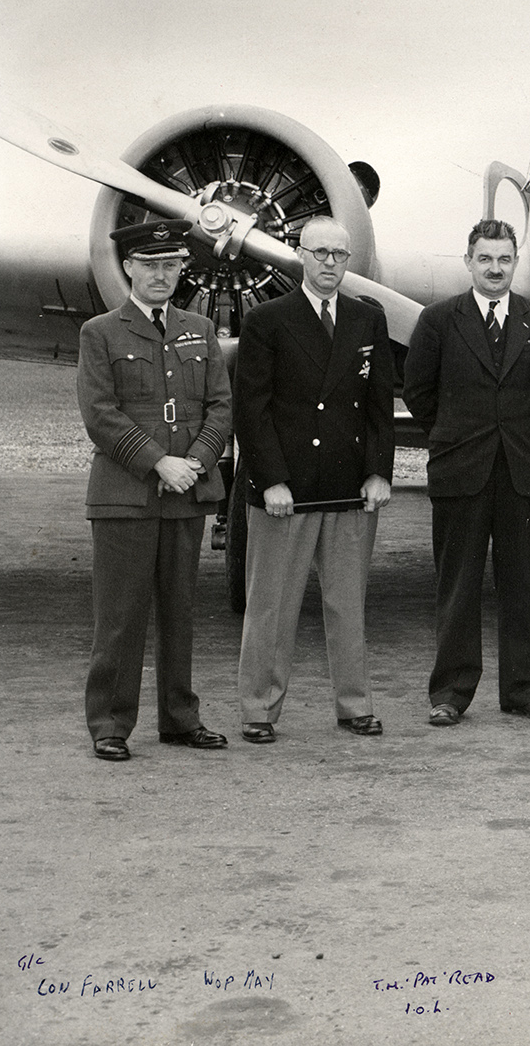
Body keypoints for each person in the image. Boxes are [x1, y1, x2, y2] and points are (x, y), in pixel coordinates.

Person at [233, 215, 396, 743]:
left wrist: (378, 472)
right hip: (287, 490)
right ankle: (259, 709)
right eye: (320, 253)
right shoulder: (267, 320)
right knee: (271, 607)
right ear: (300, 254)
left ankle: (355, 705)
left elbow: (378, 409)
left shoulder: (366, 319)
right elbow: (251, 410)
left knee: (348, 605)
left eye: (339, 255)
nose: (330, 263)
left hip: (349, 487)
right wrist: (271, 480)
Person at [76, 220, 233, 761]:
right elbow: (100, 414)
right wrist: (158, 461)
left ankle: (180, 718)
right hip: (125, 497)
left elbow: (220, 406)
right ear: (128, 268)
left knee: (180, 612)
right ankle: (111, 724)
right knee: (120, 615)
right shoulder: (100, 332)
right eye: (150, 265)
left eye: (171, 264)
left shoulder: (200, 329)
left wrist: (196, 461)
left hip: (186, 492)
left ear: (181, 268)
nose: (161, 275)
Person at [404, 219, 530, 727]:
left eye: (505, 259)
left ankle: (522, 690)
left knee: (520, 584)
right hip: (461, 471)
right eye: (485, 259)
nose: (495, 269)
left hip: (522, 472)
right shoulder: (437, 320)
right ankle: (451, 693)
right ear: (468, 261)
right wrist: (457, 435)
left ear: (516, 262)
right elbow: (419, 394)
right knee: (459, 583)